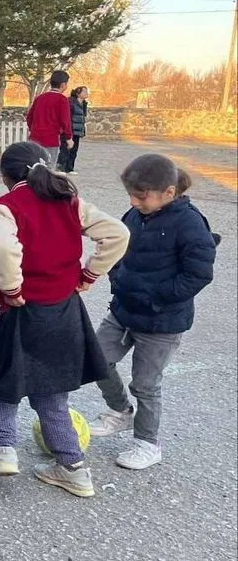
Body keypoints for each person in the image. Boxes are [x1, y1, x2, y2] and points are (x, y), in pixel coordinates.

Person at [0, 142, 130, 498]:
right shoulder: (69, 202)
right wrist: (90, 275)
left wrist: (12, 287)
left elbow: (4, 249)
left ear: (5, 176)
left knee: (4, 378)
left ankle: (3, 449)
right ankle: (73, 468)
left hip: (22, 310)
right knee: (51, 393)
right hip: (64, 310)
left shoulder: (4, 208)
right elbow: (117, 234)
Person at [85, 155, 219, 469]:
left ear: (169, 192)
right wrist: (117, 278)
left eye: (141, 196)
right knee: (95, 360)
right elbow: (118, 247)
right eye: (131, 194)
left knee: (145, 384)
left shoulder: (190, 223)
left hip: (162, 321)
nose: (133, 201)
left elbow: (198, 274)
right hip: (123, 311)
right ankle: (120, 412)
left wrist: (155, 297)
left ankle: (147, 443)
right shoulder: (134, 213)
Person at [25, 71, 74, 166]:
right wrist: (69, 138)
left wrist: (34, 129)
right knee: (49, 167)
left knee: (33, 166)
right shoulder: (62, 100)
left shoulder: (39, 98)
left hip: (35, 138)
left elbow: (29, 118)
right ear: (63, 84)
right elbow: (65, 121)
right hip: (51, 139)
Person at [59, 86, 89, 173]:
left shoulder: (84, 104)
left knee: (74, 150)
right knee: (65, 149)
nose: (86, 93)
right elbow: (67, 116)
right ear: (78, 93)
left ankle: (70, 168)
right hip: (70, 129)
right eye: (84, 91)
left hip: (77, 131)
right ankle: (62, 167)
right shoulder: (71, 102)